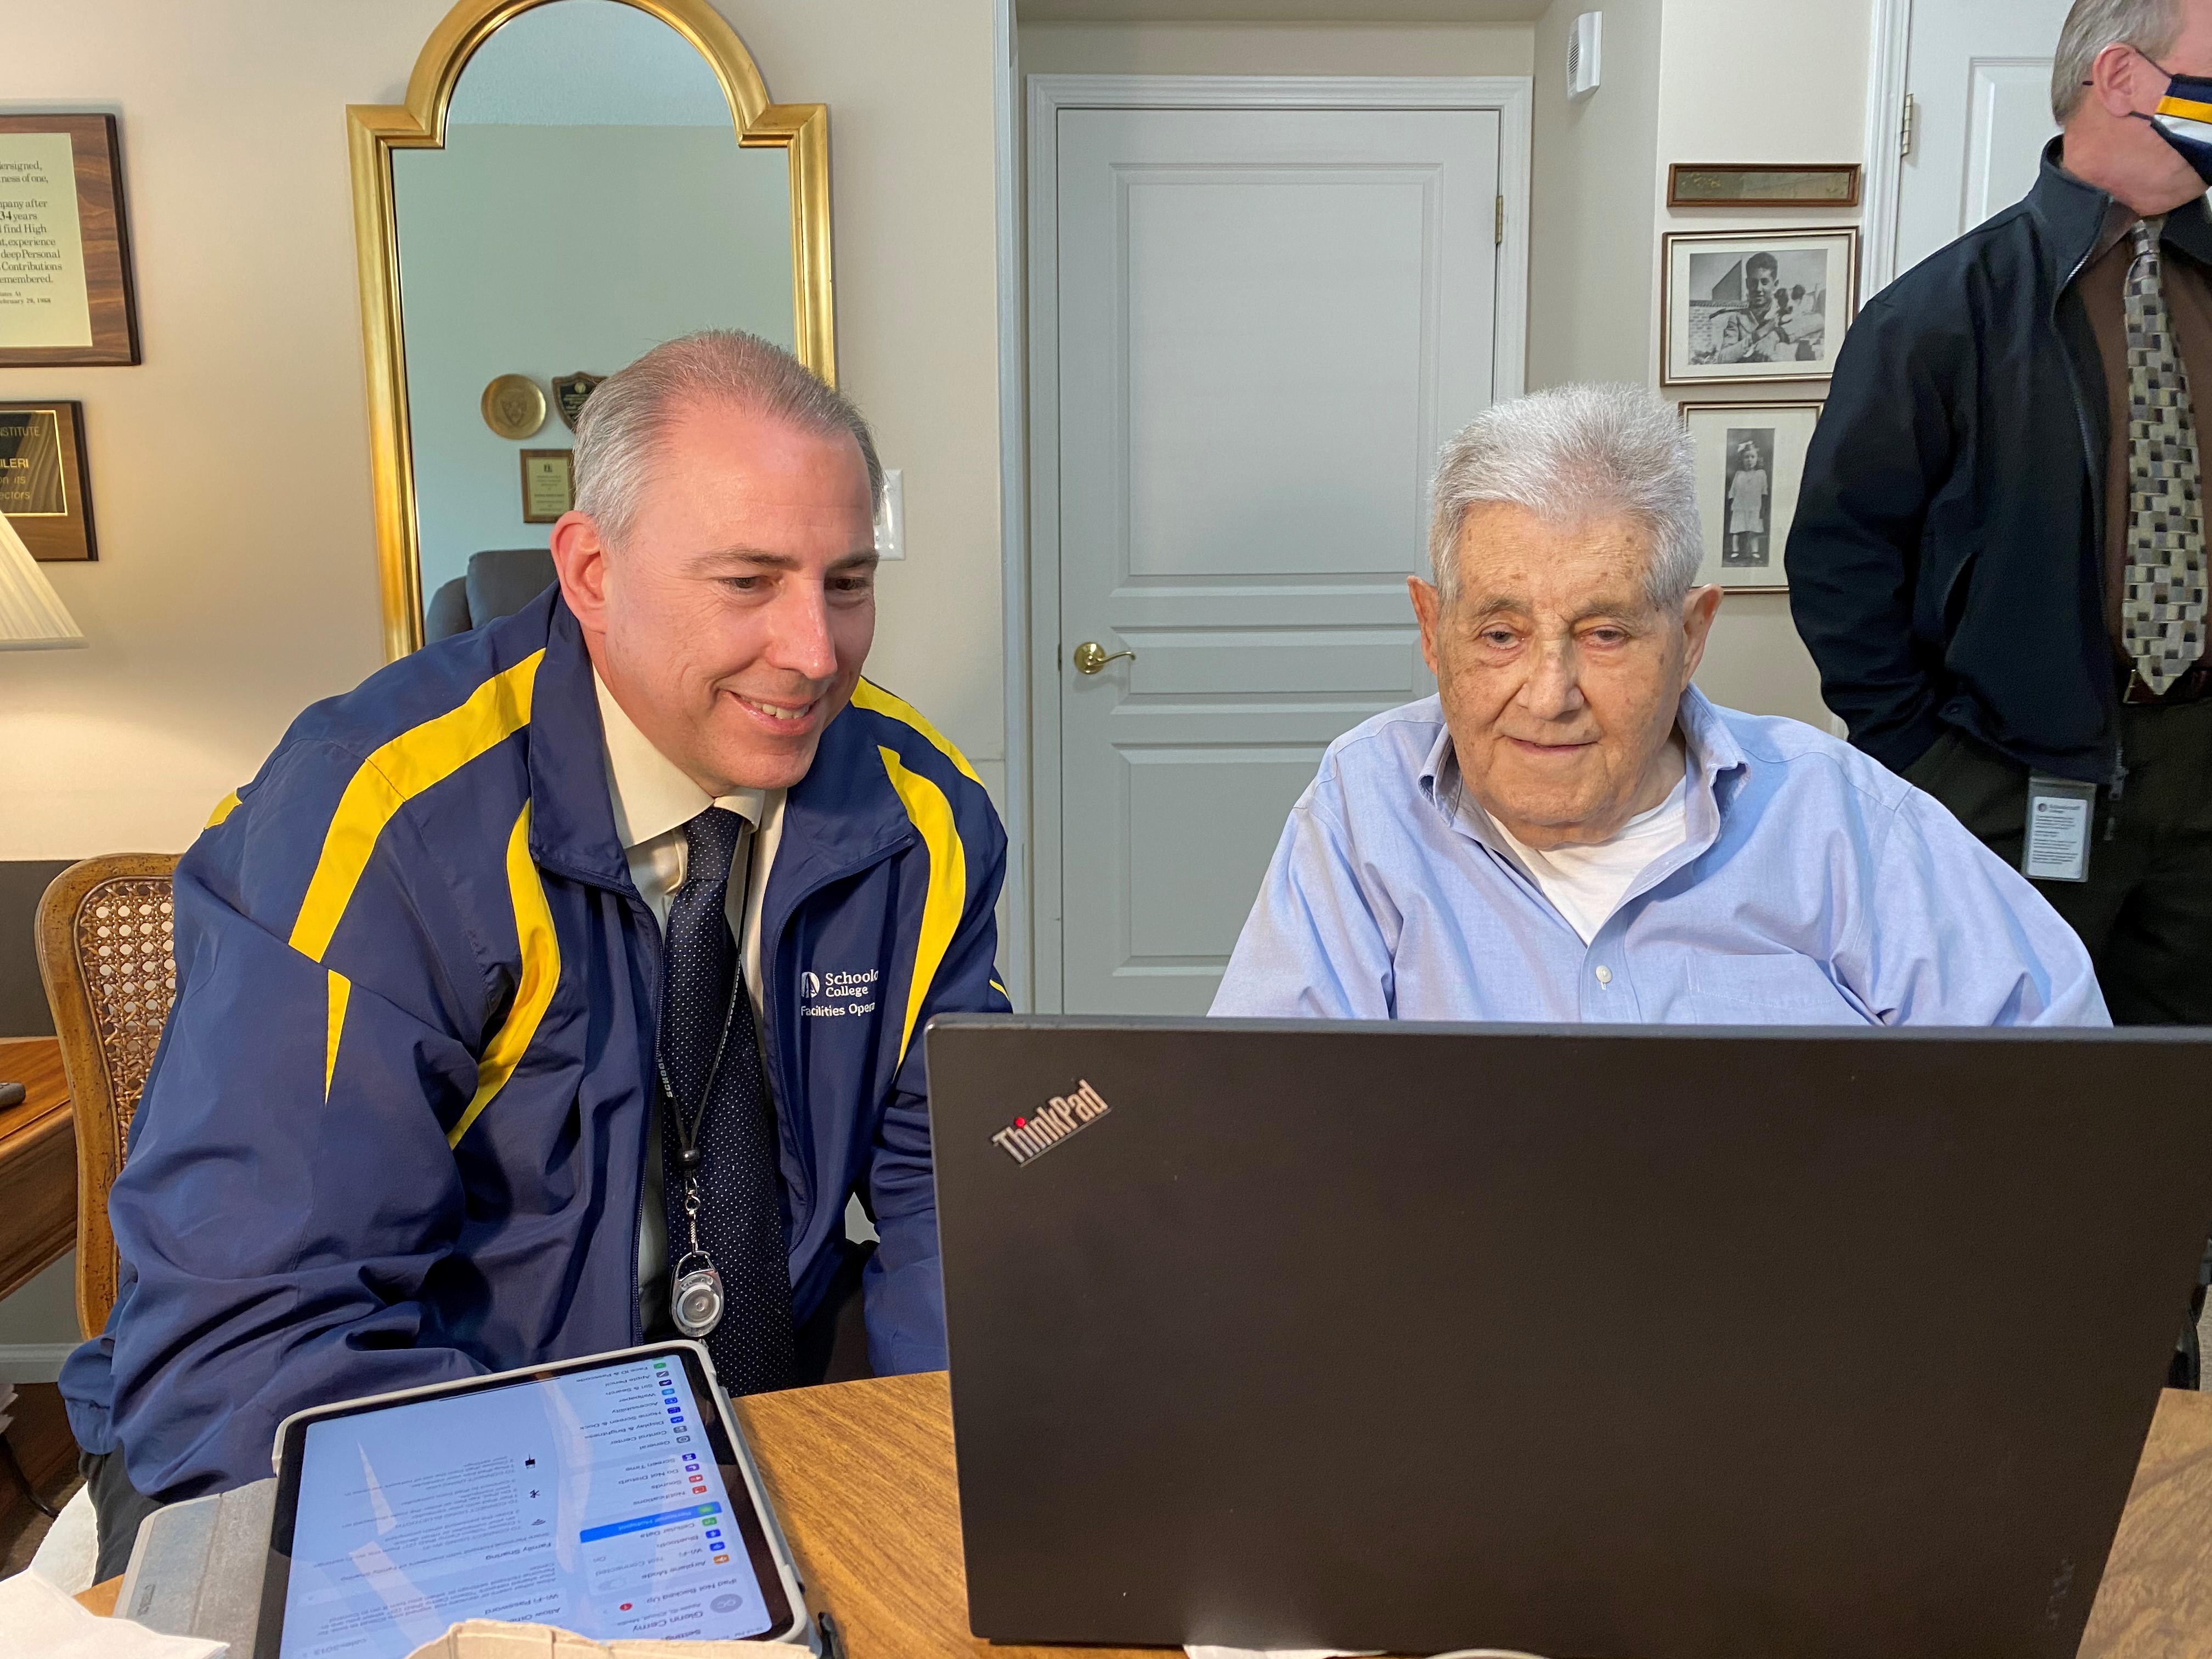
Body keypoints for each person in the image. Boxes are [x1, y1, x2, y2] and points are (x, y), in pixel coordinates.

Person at [59, 330, 1010, 1578]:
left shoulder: (920, 818)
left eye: (846, 582)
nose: (816, 653)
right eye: (748, 583)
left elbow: (953, 1202)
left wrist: (961, 1481)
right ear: (591, 569)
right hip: (373, 1426)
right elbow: (250, 1334)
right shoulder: (373, 821)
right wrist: (593, 1542)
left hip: (730, 1396)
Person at [1212, 383, 2105, 1031]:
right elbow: (1260, 1117)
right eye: (1498, 635)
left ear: (1691, 633)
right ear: (1430, 627)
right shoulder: (1365, 803)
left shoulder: (1837, 818)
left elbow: (2064, 1080)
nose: (1549, 693)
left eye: (1603, 634)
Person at [1788, 0, 2212, 1029]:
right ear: (2122, 81)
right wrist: (1923, 768)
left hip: (2201, 778)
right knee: (2012, 1100)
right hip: (2010, 784)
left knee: (2180, 1108)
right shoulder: (1935, 315)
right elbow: (1841, 559)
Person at [1726, 439, 1769, 565]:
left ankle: (1755, 551)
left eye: (1752, 457)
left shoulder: (1761, 474)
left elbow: (1764, 491)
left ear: (1757, 458)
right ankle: (1736, 550)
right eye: (1746, 457)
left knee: (1754, 530)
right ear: (1742, 459)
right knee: (1737, 530)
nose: (1749, 460)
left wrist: (1763, 507)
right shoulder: (1739, 474)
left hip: (1754, 506)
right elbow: (1733, 491)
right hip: (1740, 506)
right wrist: (1732, 502)